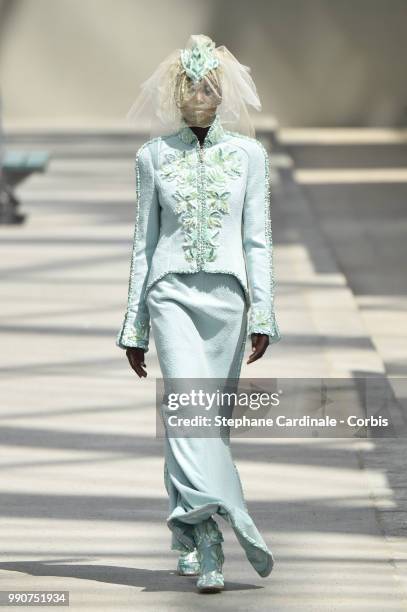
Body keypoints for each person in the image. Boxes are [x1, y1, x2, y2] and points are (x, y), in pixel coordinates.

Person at [116, 34, 281, 594]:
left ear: (224, 92)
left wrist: (264, 313)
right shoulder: (153, 157)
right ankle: (217, 531)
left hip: (229, 302)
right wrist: (134, 323)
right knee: (189, 412)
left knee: (205, 424)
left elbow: (257, 240)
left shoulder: (249, 156)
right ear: (174, 93)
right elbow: (144, 242)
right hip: (171, 297)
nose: (199, 95)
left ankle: (185, 529)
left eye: (208, 85)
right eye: (189, 85)